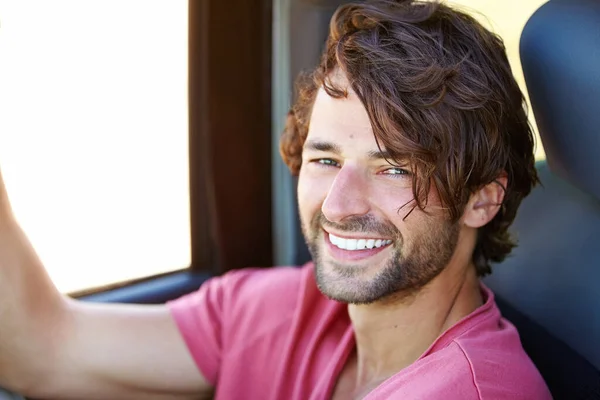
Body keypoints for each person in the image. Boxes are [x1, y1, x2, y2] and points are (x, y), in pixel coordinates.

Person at [0, 0, 551, 399]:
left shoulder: (477, 391)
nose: (338, 205)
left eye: (393, 168)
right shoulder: (288, 308)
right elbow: (42, 348)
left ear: (482, 199)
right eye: (326, 159)